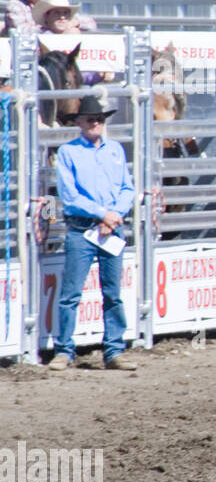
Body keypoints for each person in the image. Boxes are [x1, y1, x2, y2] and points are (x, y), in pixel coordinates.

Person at [47, 95, 138, 373]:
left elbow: (127, 188)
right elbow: (70, 196)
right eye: (89, 119)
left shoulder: (115, 150)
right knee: (71, 293)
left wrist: (114, 215)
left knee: (112, 293)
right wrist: (105, 214)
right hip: (84, 228)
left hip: (109, 227)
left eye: (98, 119)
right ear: (79, 123)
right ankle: (64, 350)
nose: (95, 123)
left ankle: (113, 350)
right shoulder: (68, 152)